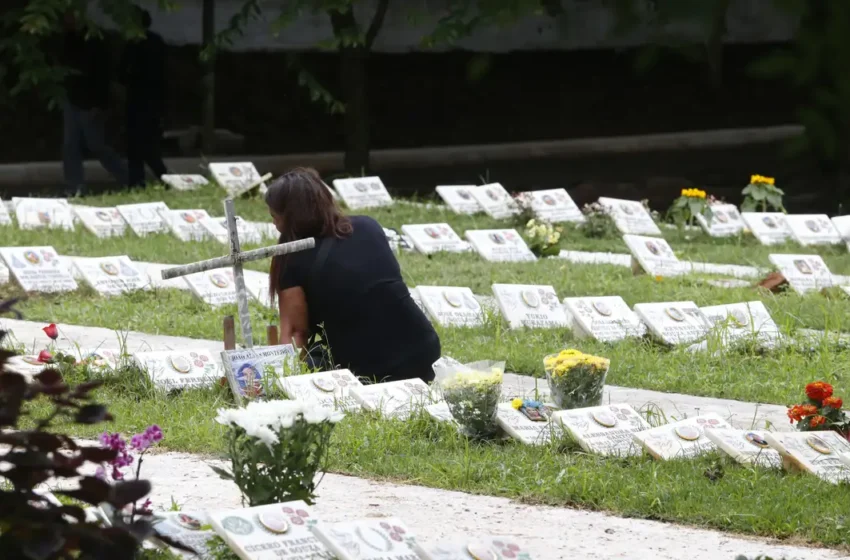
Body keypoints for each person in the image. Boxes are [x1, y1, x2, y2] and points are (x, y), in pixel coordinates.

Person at [267, 168, 440, 383]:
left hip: (368, 366)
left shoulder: (290, 257)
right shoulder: (369, 226)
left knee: (316, 359)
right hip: (423, 349)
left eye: (274, 215)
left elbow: (296, 333)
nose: (273, 222)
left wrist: (284, 381)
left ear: (288, 215)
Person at [61, 11, 128, 196]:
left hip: (89, 102)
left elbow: (101, 75)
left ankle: (127, 178)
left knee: (96, 145)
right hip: (72, 99)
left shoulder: (94, 41)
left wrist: (99, 104)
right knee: (70, 146)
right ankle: (75, 187)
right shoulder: (69, 39)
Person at [119, 6, 168, 187]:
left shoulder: (133, 44)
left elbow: (121, 74)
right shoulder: (158, 42)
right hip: (155, 101)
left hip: (137, 101)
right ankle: (164, 178)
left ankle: (138, 182)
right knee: (150, 146)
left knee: (135, 147)